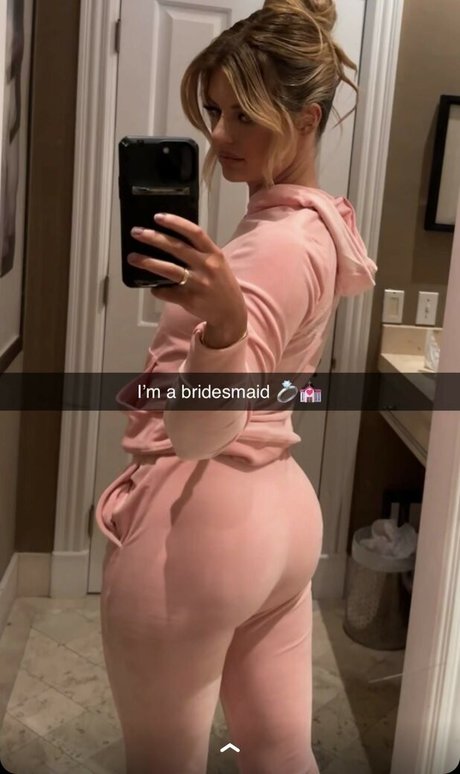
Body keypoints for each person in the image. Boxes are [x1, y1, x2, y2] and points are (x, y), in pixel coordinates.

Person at [95, 0, 378, 771]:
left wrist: (222, 328)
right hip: (279, 515)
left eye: (243, 115)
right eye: (215, 112)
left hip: (199, 527)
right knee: (280, 752)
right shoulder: (316, 227)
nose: (219, 136)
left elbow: (198, 431)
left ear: (307, 119)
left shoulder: (269, 249)